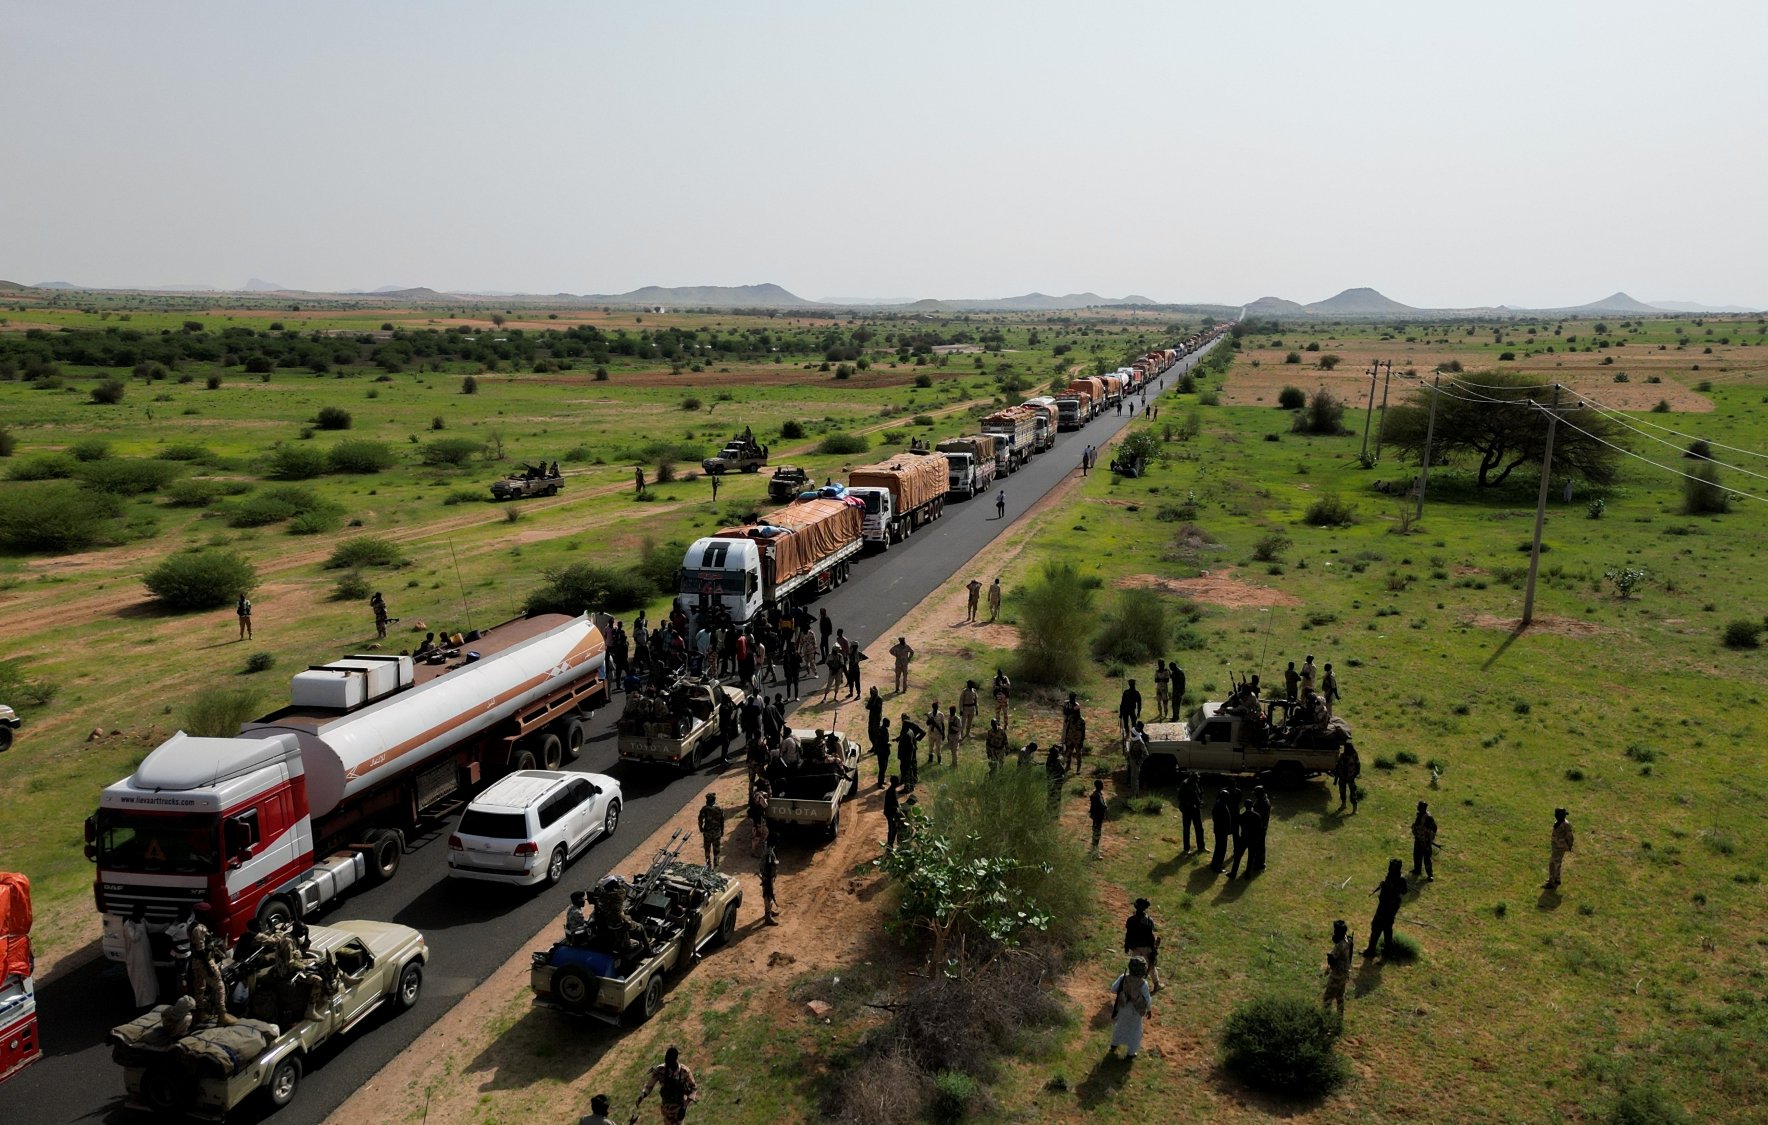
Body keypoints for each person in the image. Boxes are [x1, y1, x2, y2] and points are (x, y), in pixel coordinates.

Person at [1107, 956, 1153, 1059]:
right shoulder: (1143, 984)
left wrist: (1123, 992)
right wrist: (1149, 1010)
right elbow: (1147, 999)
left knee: (1120, 1026)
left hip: (1123, 1007)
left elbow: (1113, 989)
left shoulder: (1123, 978)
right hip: (1136, 1011)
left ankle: (1114, 1045)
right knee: (1135, 1031)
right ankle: (1131, 1053)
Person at [1362, 859, 1409, 958]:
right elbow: (1404, 891)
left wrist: (1390, 888)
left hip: (1385, 909)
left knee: (1378, 928)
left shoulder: (1396, 880)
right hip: (1389, 909)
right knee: (1386, 929)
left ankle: (1373, 950)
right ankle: (1385, 951)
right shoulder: (1398, 879)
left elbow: (1400, 892)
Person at [640, 1046, 698, 1124]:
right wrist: (643, 1095)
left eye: (669, 1062)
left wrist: (684, 1107)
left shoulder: (684, 1072)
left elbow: (693, 1089)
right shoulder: (660, 1070)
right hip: (666, 1108)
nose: (667, 1063)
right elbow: (649, 1086)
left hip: (679, 1107)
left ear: (675, 1060)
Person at [122, 903, 158, 1008]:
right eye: (141, 912)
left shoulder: (141, 920)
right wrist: (137, 925)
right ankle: (143, 1003)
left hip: (145, 955)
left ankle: (152, 999)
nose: (143, 914)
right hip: (136, 958)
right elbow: (134, 938)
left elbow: (151, 928)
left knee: (148, 975)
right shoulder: (129, 924)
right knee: (140, 979)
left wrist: (166, 926)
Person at [1123, 898, 1162, 992]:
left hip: (1134, 946)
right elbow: (1151, 937)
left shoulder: (1130, 920)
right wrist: (1154, 949)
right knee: (1151, 965)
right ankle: (1156, 984)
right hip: (1146, 947)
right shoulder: (1148, 920)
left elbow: (1128, 934)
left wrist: (1126, 946)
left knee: (1134, 966)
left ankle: (1132, 986)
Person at [1323, 920, 1354, 1017]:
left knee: (1327, 998)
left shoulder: (1340, 946)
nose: (1334, 932)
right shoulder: (1348, 940)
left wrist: (1330, 958)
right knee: (1340, 997)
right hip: (1345, 973)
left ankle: (1325, 1019)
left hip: (1337, 975)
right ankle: (1339, 1018)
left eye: (1336, 931)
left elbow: (1332, 960)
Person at [1545, 807, 1575, 890]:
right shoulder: (1558, 822)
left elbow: (1570, 837)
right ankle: (1557, 879)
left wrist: (1569, 846)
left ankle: (1552, 882)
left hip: (1559, 847)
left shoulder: (1566, 824)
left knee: (1553, 864)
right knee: (1557, 863)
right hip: (1556, 846)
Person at [896, 712, 924, 789]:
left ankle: (913, 779)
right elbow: (902, 734)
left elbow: (923, 732)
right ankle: (904, 779)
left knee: (912, 764)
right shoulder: (906, 725)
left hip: (911, 748)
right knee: (906, 765)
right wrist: (898, 739)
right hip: (908, 747)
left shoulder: (910, 725)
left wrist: (916, 739)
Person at [1411, 800, 1438, 882]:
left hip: (1425, 841)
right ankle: (1417, 870)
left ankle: (1430, 875)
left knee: (1427, 858)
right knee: (1416, 855)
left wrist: (1429, 838)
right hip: (1418, 839)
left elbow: (1434, 828)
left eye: (1419, 806)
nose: (1417, 807)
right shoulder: (1419, 815)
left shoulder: (1428, 817)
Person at [1178, 770, 1205, 852]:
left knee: (1199, 828)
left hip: (1196, 809)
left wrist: (1200, 801)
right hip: (1187, 810)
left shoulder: (1196, 783)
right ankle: (1186, 849)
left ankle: (1201, 847)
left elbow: (1200, 792)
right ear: (1191, 778)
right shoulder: (1185, 784)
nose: (1197, 780)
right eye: (1196, 779)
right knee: (1186, 829)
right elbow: (1180, 797)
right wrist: (1189, 804)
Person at [697, 793, 725, 869]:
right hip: (717, 832)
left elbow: (700, 819)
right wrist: (722, 831)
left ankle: (708, 864)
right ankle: (716, 866)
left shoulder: (704, 808)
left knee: (707, 849)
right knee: (716, 850)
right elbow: (722, 821)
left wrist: (701, 828)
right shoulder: (719, 808)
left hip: (707, 832)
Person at [1209, 788, 1234, 871]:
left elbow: (1214, 815)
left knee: (1219, 847)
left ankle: (1215, 864)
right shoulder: (1222, 805)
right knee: (1221, 848)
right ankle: (1217, 866)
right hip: (1221, 830)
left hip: (1219, 830)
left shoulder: (1218, 803)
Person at [1250, 785, 1271, 872]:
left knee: (1259, 847)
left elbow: (1258, 817)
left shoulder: (1262, 803)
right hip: (1261, 828)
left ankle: (1259, 865)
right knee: (1259, 846)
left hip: (1259, 828)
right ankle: (1258, 863)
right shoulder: (1264, 800)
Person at [1334, 744, 1361, 813]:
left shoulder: (1354, 756)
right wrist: (1336, 777)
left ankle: (1355, 809)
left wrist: (1354, 775)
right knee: (1342, 792)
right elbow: (1338, 766)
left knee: (1353, 794)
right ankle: (1343, 804)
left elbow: (1358, 766)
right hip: (1342, 777)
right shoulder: (1342, 756)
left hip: (1350, 778)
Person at [1125, 721, 1149, 798]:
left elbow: (1146, 754)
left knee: (1135, 779)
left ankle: (1136, 794)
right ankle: (1132, 793)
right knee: (1132, 778)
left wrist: (1140, 761)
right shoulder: (1133, 740)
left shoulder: (1140, 742)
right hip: (1132, 760)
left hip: (1136, 761)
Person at [747, 783, 770, 858]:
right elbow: (765, 805)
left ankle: (755, 850)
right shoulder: (760, 796)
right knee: (759, 835)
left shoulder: (755, 794)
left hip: (755, 817)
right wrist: (766, 799)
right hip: (758, 819)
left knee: (760, 833)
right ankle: (754, 852)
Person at [1088, 779, 1108, 858]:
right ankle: (1095, 853)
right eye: (1102, 785)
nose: (1103, 786)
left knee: (1095, 833)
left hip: (1096, 817)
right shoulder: (1097, 796)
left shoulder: (1096, 794)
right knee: (1097, 834)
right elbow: (1102, 806)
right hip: (1098, 817)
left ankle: (1093, 849)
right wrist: (1105, 806)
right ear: (1099, 786)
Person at [760, 843, 779, 925]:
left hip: (768, 877)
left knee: (770, 896)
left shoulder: (769, 849)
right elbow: (769, 866)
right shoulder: (769, 853)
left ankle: (769, 911)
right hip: (767, 878)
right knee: (768, 896)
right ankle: (768, 917)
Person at [883, 776, 904, 850]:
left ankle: (890, 845)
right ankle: (890, 845)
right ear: (895, 783)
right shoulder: (891, 792)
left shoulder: (891, 790)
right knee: (893, 829)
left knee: (892, 828)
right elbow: (894, 804)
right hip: (890, 813)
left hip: (888, 812)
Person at [1044, 743, 1067, 808]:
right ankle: (1055, 807)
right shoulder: (1058, 760)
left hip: (1050, 778)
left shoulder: (1049, 758)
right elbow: (1063, 770)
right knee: (1057, 793)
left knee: (1050, 793)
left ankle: (1050, 806)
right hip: (1058, 779)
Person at [872, 717, 891, 786]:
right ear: (885, 723)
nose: (889, 724)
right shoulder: (882, 730)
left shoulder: (882, 729)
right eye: (888, 723)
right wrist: (887, 744)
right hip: (882, 752)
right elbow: (881, 741)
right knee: (882, 768)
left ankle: (882, 781)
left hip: (883, 751)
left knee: (884, 767)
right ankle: (880, 783)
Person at [925, 702, 945, 766]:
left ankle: (939, 761)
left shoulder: (941, 714)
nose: (936, 708)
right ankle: (930, 759)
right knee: (930, 746)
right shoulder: (929, 714)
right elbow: (927, 723)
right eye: (935, 707)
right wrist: (930, 720)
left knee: (938, 748)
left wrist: (943, 733)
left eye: (937, 707)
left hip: (938, 733)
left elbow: (942, 724)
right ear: (933, 707)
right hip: (931, 732)